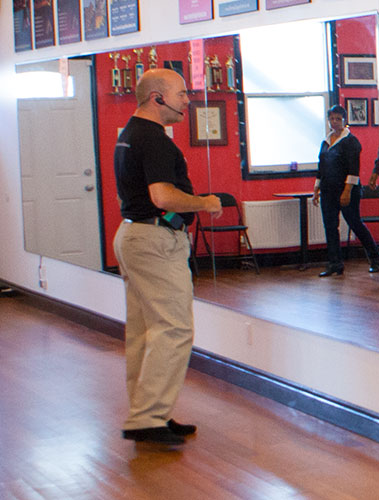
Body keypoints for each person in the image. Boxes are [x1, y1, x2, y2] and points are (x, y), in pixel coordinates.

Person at [114, 68, 222, 445]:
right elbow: (162, 196)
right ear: (157, 97)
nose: (187, 101)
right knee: (174, 328)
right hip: (155, 241)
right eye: (181, 94)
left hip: (135, 235)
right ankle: (148, 417)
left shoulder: (129, 134)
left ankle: (147, 413)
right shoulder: (154, 138)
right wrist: (205, 203)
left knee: (145, 331)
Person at [313, 105, 379, 277]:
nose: (334, 122)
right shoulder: (326, 142)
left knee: (355, 223)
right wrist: (316, 188)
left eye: (338, 119)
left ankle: (375, 257)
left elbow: (353, 169)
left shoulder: (351, 141)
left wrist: (347, 191)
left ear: (344, 120)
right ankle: (335, 263)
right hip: (328, 190)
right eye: (332, 119)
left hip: (347, 190)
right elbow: (321, 167)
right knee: (330, 226)